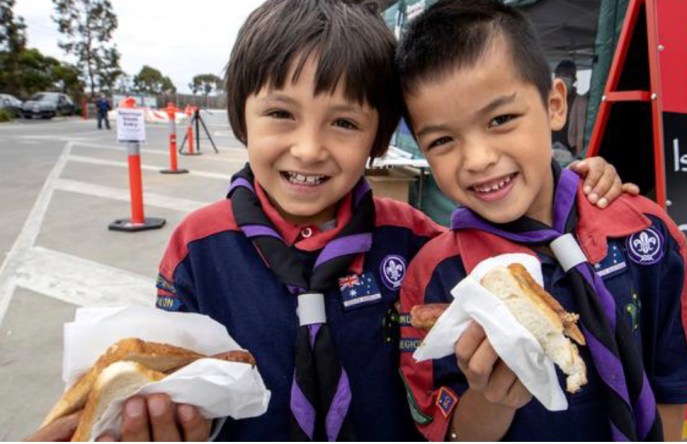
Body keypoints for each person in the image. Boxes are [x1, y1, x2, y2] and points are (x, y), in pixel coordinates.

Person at [32, 0, 632, 441]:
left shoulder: (416, 241)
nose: (309, 148)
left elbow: (514, 249)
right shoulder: (197, 247)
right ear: (240, 116)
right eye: (280, 114)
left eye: (344, 123)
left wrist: (581, 186)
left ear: (378, 138)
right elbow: (178, 383)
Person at [395, 0, 687, 441]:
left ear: (555, 104)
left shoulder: (644, 232)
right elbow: (448, 431)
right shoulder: (435, 277)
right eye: (442, 141)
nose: (478, 159)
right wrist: (492, 399)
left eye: (501, 119)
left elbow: (672, 378)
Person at [552, 60, 589, 156]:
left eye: (566, 76)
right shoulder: (549, 100)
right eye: (559, 75)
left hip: (570, 153)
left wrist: (579, 156)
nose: (562, 79)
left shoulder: (580, 102)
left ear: (574, 80)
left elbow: (580, 134)